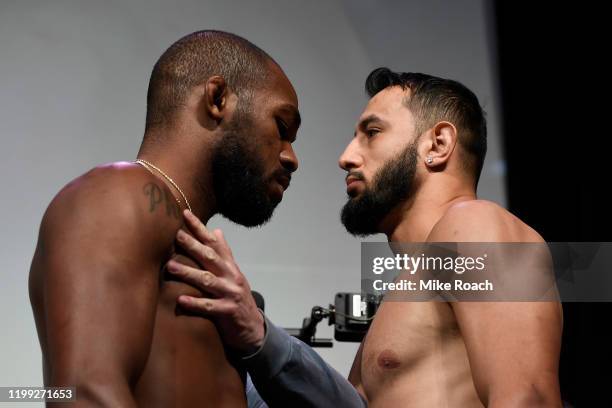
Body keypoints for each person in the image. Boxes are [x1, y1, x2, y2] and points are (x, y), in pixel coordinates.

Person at [168, 68, 563, 407]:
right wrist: (250, 337)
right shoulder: (408, 288)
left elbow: (529, 398)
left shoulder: (475, 226)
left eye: (371, 132)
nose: (347, 156)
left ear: (438, 145)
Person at [28, 30, 301, 407]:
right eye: (282, 128)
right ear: (218, 98)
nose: (291, 157)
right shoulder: (117, 196)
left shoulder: (191, 244)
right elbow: (85, 394)